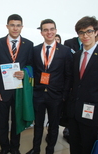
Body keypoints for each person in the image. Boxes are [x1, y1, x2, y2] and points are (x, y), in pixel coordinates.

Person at [68, 16, 98, 154]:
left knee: (88, 147)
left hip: (91, 113)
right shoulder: (76, 56)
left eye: (88, 31)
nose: (85, 35)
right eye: (81, 33)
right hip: (74, 112)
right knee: (74, 146)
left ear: (95, 32)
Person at [26, 19, 73, 154]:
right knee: (38, 125)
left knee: (53, 125)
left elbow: (68, 75)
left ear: (56, 31)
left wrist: (64, 95)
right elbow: (32, 71)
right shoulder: (35, 50)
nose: (49, 32)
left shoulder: (65, 51)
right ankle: (35, 149)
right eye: (45, 30)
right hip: (39, 94)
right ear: (41, 33)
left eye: (52, 29)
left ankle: (50, 150)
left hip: (56, 96)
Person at [0, 14, 33, 154]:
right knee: (2, 122)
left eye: (18, 25)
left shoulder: (29, 44)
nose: (15, 28)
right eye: (12, 25)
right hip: (2, 91)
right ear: (7, 26)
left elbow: (30, 65)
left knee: (17, 121)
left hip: (19, 90)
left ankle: (15, 148)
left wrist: (25, 72)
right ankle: (4, 147)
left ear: (22, 26)